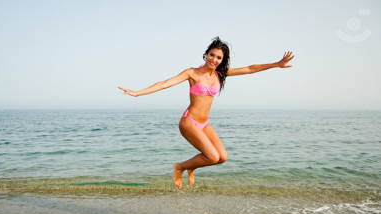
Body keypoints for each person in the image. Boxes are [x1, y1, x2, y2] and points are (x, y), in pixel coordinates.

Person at [118, 37, 294, 189]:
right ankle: (179, 167)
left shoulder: (220, 74)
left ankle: (192, 167)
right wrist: (137, 93)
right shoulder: (192, 73)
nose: (214, 60)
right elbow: (165, 83)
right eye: (212, 55)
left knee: (222, 158)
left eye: (219, 57)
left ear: (222, 60)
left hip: (204, 124)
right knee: (211, 156)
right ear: (206, 54)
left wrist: (276, 64)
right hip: (189, 122)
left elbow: (249, 68)